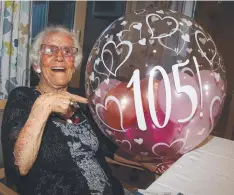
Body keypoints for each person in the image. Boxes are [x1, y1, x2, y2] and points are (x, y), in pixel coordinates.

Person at [1, 26, 142, 195]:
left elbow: (107, 149)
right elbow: (20, 167)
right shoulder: (22, 97)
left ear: (73, 66)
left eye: (67, 51)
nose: (60, 56)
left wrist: (149, 163)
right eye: (50, 50)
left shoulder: (82, 99)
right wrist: (44, 106)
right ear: (37, 65)